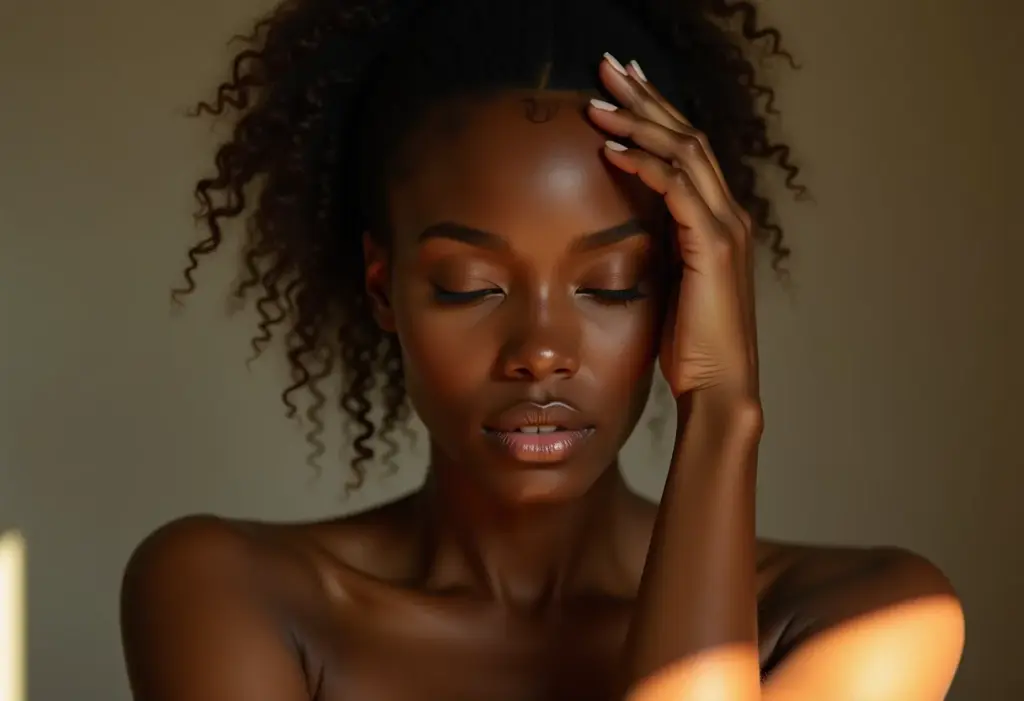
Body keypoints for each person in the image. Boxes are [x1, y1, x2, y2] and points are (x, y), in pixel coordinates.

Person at [119, 1, 965, 699]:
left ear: (684, 291)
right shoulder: (230, 594)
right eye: (469, 285)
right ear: (383, 287)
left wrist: (721, 407)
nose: (542, 352)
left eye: (613, 285)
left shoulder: (871, 617)